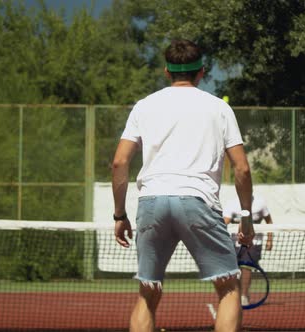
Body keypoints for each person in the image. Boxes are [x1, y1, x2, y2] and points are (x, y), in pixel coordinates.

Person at [111, 39, 255, 332]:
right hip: (197, 202)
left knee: (148, 293)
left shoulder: (144, 106)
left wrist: (119, 215)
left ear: (166, 71)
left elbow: (119, 163)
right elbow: (242, 168)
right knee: (229, 288)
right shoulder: (219, 109)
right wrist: (247, 217)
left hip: (152, 203)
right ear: (202, 72)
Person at [223, 194, 273, 306]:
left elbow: (269, 221)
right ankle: (234, 294)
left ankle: (244, 296)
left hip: (254, 242)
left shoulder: (260, 203)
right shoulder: (232, 203)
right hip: (234, 242)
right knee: (234, 269)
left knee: (247, 266)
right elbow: (225, 222)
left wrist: (270, 240)